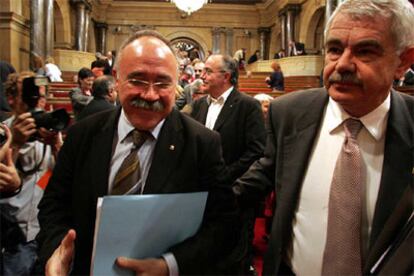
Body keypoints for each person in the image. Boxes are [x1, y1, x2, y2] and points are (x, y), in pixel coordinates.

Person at [36, 30, 239, 275]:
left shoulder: (203, 144)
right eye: (138, 80)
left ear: (176, 84)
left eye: (163, 83)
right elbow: (53, 206)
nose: (150, 94)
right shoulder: (82, 134)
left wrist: (169, 265)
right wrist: (56, 253)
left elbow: (223, 224)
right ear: (117, 78)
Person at [233, 0, 414, 275]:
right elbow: (260, 178)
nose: (342, 64)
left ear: (403, 62)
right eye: (334, 49)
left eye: (365, 52)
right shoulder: (289, 113)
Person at [190, 54, 266, 274]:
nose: (201, 76)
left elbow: (256, 150)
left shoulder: (248, 106)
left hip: (236, 195)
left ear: (226, 76)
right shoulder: (198, 106)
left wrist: (224, 176)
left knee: (234, 261)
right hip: (202, 196)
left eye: (207, 71)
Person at [1, 71, 62, 275]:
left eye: (41, 97)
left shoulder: (48, 132)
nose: (36, 103)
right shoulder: (3, 134)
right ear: (11, 100)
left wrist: (57, 147)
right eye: (29, 97)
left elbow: (57, 180)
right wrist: (16, 142)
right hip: (12, 239)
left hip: (43, 234)